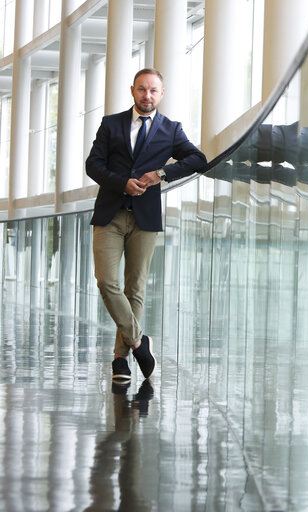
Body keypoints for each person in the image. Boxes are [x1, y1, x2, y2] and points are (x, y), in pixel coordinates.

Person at [86, 68, 207, 383]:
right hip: (110, 213)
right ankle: (139, 341)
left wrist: (161, 174)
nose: (147, 95)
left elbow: (198, 159)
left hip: (146, 218)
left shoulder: (171, 129)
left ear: (161, 94)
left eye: (153, 90)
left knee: (135, 288)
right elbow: (93, 165)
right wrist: (121, 183)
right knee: (105, 281)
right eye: (142, 89)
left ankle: (120, 360)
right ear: (132, 90)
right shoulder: (111, 124)